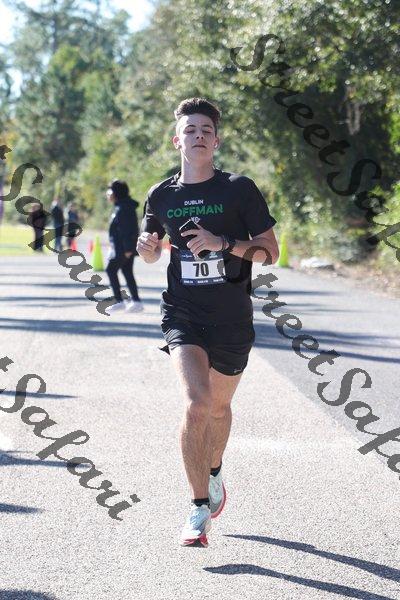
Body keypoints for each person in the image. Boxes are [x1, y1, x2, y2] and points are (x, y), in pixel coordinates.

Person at [137, 97, 279, 547]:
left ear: (216, 141)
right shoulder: (161, 195)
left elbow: (270, 252)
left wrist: (223, 243)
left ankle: (214, 471)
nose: (198, 135)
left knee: (218, 408)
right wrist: (147, 249)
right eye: (190, 130)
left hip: (232, 317)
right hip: (183, 311)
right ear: (176, 140)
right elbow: (150, 247)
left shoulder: (239, 189)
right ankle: (198, 508)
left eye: (206, 130)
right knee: (196, 404)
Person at [106, 179, 143, 313]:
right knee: (127, 272)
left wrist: (128, 249)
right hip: (121, 247)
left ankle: (120, 301)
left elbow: (128, 230)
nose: (108, 193)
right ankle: (136, 301)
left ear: (116, 192)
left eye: (110, 190)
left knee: (110, 270)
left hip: (123, 248)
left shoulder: (124, 208)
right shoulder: (121, 206)